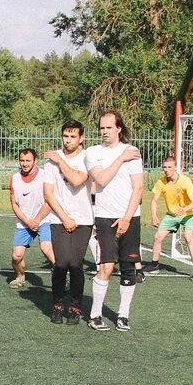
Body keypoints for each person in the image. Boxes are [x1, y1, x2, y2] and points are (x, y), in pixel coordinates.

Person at [84, 111, 145, 332]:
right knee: (107, 266)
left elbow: (138, 188)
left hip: (130, 216)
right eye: (102, 128)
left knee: (128, 268)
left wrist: (127, 218)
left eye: (109, 128)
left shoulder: (133, 153)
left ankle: (123, 315)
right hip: (103, 216)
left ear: (119, 128)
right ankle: (95, 314)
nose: (104, 132)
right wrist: (120, 159)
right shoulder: (93, 152)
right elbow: (101, 179)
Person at [42, 120, 93, 325]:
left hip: (84, 219)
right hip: (58, 218)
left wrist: (60, 161)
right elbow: (48, 193)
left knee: (76, 265)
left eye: (73, 136)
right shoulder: (50, 161)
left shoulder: (87, 158)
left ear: (81, 138)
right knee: (61, 264)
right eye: (65, 136)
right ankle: (57, 304)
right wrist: (64, 217)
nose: (68, 140)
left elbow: (77, 180)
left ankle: (75, 306)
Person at [148, 155, 193, 280]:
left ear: (175, 168)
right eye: (164, 167)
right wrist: (154, 215)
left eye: (169, 167)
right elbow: (154, 200)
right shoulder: (161, 182)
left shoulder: (185, 181)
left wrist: (184, 209)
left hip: (189, 214)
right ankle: (154, 265)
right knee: (158, 237)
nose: (166, 170)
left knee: (188, 238)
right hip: (172, 215)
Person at [8, 147, 55, 289]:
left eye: (28, 160)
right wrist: (28, 221)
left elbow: (50, 201)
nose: (25, 163)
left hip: (44, 219)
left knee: (47, 249)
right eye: (22, 160)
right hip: (24, 223)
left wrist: (37, 220)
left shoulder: (45, 176)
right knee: (16, 256)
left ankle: (61, 277)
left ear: (35, 161)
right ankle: (20, 276)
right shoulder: (14, 179)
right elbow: (14, 204)